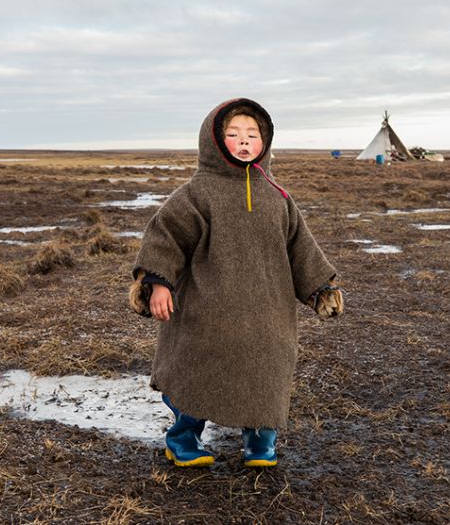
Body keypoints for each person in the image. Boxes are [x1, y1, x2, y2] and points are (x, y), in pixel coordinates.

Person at [128, 97, 343, 468]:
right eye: (232, 134)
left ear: (266, 141)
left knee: (266, 374)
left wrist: (320, 287)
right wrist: (157, 282)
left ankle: (260, 442)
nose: (244, 141)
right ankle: (182, 438)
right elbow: (166, 237)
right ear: (213, 141)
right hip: (208, 310)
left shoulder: (278, 198)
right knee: (198, 371)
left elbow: (300, 247)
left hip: (268, 313)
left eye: (252, 134)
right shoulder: (196, 195)